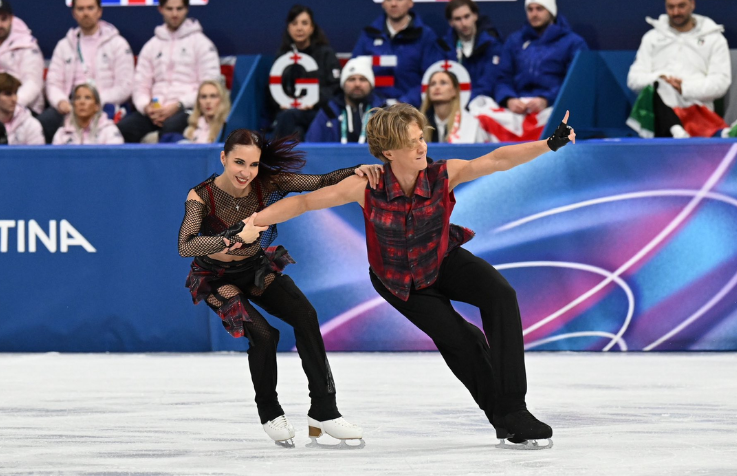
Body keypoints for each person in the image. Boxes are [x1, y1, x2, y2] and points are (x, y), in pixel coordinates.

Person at [247, 103, 576, 450]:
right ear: (389, 152)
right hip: (400, 283)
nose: (422, 147)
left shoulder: (443, 174)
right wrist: (253, 222)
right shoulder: (366, 186)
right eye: (411, 142)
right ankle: (505, 419)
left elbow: (497, 160)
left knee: (500, 294)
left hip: (442, 260)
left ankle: (515, 409)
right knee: (464, 340)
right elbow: (304, 203)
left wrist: (549, 144)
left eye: (421, 138)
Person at [176, 129, 382, 446]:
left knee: (305, 315)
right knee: (264, 335)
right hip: (215, 278)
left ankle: (324, 410)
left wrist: (356, 170)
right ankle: (270, 412)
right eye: (239, 162)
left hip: (255, 269)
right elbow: (185, 245)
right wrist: (233, 239)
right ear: (223, 158)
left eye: (253, 164)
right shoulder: (201, 196)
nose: (246, 172)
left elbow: (321, 181)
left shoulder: (267, 183)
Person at [627, 0, 731, 138]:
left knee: (662, 88)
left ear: (692, 4)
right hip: (656, 118)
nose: (676, 12)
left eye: (681, 6)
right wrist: (660, 78)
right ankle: (675, 128)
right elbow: (633, 80)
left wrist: (683, 88)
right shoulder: (652, 38)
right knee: (659, 85)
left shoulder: (714, 39)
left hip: (697, 113)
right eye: (671, 7)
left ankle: (675, 128)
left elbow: (720, 83)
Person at [119, 0, 220, 143]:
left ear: (186, 9)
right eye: (169, 9)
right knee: (123, 130)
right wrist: (146, 107)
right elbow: (140, 84)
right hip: (155, 111)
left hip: (188, 109)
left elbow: (210, 85)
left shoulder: (202, 44)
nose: (174, 14)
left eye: (179, 8)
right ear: (160, 9)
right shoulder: (151, 46)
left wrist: (179, 105)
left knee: (170, 129)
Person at [493, 0, 588, 141]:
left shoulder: (572, 42)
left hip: (553, 106)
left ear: (551, 11)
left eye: (539, 9)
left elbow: (575, 83)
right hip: (519, 106)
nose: (534, 14)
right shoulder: (515, 40)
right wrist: (509, 99)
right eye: (530, 9)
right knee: (481, 111)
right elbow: (502, 77)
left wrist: (546, 99)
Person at [43, 0, 134, 142]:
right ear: (74, 13)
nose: (85, 13)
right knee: (45, 122)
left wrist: (95, 102)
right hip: (71, 106)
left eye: (90, 8)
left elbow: (125, 85)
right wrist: (61, 102)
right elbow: (53, 83)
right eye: (80, 9)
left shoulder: (118, 44)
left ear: (99, 12)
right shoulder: (64, 45)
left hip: (105, 105)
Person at [351, 0, 438, 107]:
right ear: (383, 3)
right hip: (374, 109)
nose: (393, 3)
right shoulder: (369, 35)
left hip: (414, 110)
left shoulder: (425, 36)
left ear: (410, 2)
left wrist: (405, 103)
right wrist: (379, 105)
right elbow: (355, 73)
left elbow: (433, 77)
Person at [269, 5, 341, 140]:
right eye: (294, 23)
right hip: (289, 111)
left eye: (304, 23)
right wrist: (280, 103)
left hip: (318, 111)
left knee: (289, 117)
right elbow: (272, 89)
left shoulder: (326, 54)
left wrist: (313, 100)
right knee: (296, 130)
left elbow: (335, 88)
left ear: (312, 28)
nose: (299, 28)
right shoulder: (282, 56)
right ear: (288, 28)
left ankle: (275, 152)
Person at [430, 0, 501, 102]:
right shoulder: (443, 47)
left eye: (467, 16)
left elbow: (489, 82)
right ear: (451, 22)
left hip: (483, 103)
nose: (463, 23)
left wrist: (467, 101)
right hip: (452, 105)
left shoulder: (491, 44)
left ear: (475, 16)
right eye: (458, 19)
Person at [304, 56, 384, 143]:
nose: (357, 84)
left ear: (371, 84)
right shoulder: (329, 112)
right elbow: (311, 144)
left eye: (363, 79)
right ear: (343, 84)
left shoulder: (382, 112)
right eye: (351, 79)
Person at [420, 70, 493, 143]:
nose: (437, 87)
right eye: (433, 84)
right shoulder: (419, 123)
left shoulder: (471, 123)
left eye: (443, 83)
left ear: (454, 91)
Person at [52, 84, 124, 145]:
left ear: (97, 106)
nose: (82, 102)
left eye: (87, 98)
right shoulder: (62, 133)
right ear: (73, 105)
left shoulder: (109, 130)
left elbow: (115, 156)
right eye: (77, 98)